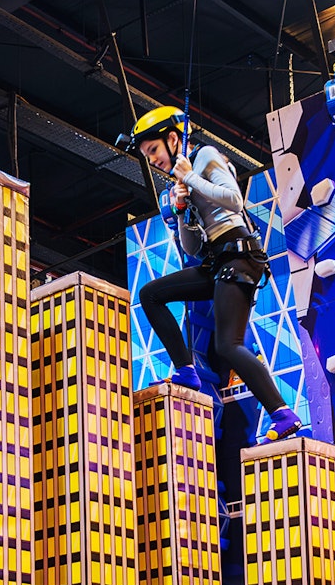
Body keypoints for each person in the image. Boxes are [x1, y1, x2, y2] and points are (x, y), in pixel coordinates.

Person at [124, 106, 301, 443]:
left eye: (155, 151)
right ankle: (186, 371)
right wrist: (180, 211)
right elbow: (192, 248)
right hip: (216, 263)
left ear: (173, 139)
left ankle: (284, 413)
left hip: (239, 257)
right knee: (151, 294)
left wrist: (191, 177)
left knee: (228, 345)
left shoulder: (203, 156)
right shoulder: (182, 181)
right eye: (148, 156)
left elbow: (234, 200)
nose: (154, 160)